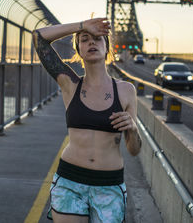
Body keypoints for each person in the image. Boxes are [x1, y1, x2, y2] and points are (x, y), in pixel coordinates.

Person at [32, 17, 142, 223]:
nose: (91, 42)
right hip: (70, 182)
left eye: (98, 39)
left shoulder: (126, 91)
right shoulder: (71, 85)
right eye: (84, 39)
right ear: (78, 50)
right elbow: (39, 37)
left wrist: (133, 129)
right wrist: (82, 25)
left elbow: (135, 150)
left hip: (109, 185)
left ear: (107, 48)